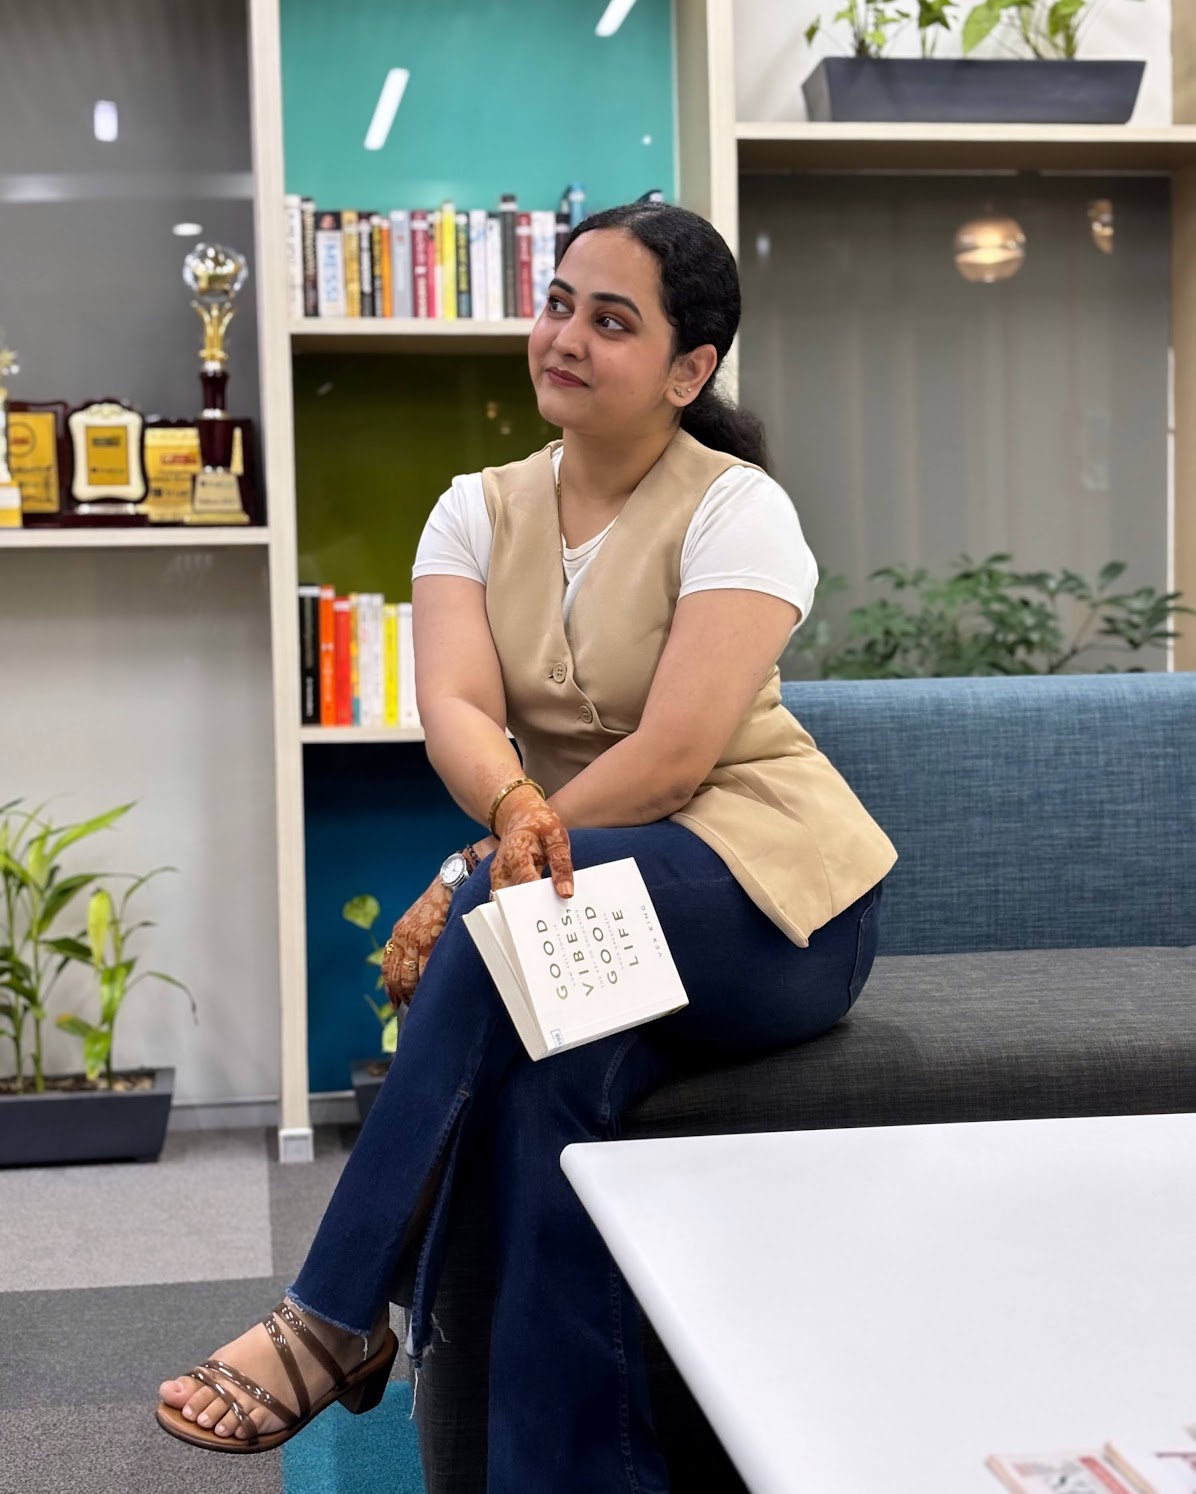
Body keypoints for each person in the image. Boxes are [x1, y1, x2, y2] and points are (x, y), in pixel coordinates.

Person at [155, 200, 897, 1490]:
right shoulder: (474, 510)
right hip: (565, 888)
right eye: (559, 302)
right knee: (552, 1107)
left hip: (775, 908)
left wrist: (477, 872)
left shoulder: (740, 511)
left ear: (687, 370)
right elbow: (454, 707)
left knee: (517, 926)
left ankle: (334, 1313)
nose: (565, 335)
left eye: (612, 320)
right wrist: (506, 822)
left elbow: (673, 759)